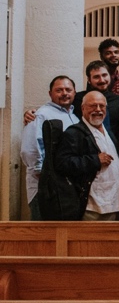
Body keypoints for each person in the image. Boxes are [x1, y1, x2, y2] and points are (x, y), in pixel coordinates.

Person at [55, 91, 119, 221]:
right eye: (93, 105)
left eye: (102, 106)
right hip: (92, 207)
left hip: (115, 203)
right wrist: (95, 160)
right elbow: (62, 163)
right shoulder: (74, 133)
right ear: (82, 108)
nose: (98, 110)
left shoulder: (109, 132)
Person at [20, 76, 79, 219]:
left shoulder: (75, 116)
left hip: (64, 187)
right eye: (59, 90)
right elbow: (29, 150)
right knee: (44, 233)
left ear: (74, 93)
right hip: (45, 189)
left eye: (68, 90)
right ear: (50, 94)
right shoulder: (41, 115)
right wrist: (45, 177)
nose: (64, 93)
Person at [74, 61, 119, 141]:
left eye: (104, 75)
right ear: (89, 80)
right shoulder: (78, 99)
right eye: (96, 77)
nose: (102, 80)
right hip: (85, 145)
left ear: (110, 76)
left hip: (112, 146)